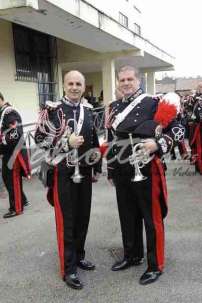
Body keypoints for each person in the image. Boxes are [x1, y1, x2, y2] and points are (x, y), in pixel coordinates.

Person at [105, 66, 184, 285]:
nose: (126, 83)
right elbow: (112, 142)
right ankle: (132, 255)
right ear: (118, 83)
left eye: (130, 79)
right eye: (122, 80)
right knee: (127, 215)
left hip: (148, 169)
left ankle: (155, 264)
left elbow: (178, 130)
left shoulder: (154, 102)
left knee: (151, 218)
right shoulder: (113, 108)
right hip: (122, 169)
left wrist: (157, 143)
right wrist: (111, 168)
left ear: (138, 81)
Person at [34, 70, 102, 290]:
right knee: (67, 219)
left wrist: (97, 167)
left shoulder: (89, 110)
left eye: (78, 84)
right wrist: (65, 142)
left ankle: (79, 255)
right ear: (64, 85)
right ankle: (68, 268)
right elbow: (40, 139)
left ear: (83, 87)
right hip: (63, 173)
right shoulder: (52, 110)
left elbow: (94, 140)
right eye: (70, 83)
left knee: (83, 216)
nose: (74, 87)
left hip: (84, 171)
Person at [0, 92, 31, 218]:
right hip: (8, 152)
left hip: (14, 153)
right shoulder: (3, 113)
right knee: (10, 179)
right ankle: (22, 200)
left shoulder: (9, 113)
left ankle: (16, 208)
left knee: (12, 180)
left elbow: (15, 133)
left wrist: (1, 139)